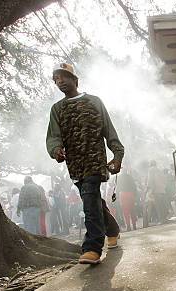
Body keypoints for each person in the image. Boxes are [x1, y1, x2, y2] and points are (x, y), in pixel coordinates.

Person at [46, 63, 123, 264]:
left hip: (95, 161)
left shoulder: (94, 102)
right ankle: (112, 229)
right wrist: (56, 151)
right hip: (75, 165)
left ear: (75, 80)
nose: (60, 81)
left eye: (63, 77)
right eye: (56, 79)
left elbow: (109, 130)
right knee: (92, 200)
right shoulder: (57, 109)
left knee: (90, 198)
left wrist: (117, 155)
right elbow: (53, 137)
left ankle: (93, 247)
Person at [146, 160, 168, 225]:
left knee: (158, 206)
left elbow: (150, 180)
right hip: (162, 190)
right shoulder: (159, 170)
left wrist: (148, 189)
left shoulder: (150, 170)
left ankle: (162, 220)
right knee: (162, 205)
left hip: (155, 190)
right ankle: (164, 218)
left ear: (150, 164)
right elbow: (164, 180)